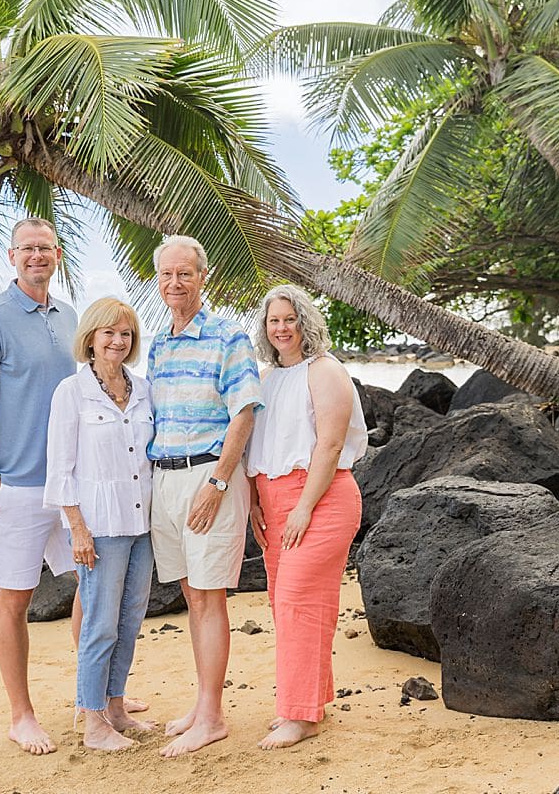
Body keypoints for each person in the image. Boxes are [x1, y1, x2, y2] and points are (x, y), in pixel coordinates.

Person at [0, 217, 77, 755]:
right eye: (27, 249)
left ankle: (96, 692)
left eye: (45, 248)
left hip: (70, 484)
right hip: (17, 487)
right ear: (12, 256)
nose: (37, 257)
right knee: (14, 598)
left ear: (57, 254)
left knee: (94, 585)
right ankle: (21, 714)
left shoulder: (70, 316)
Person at [145, 235, 262, 757]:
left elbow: (244, 413)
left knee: (210, 596)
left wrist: (218, 482)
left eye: (185, 274)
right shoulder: (157, 344)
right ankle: (202, 703)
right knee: (192, 595)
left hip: (207, 478)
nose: (175, 283)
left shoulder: (228, 337)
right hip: (164, 478)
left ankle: (212, 717)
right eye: (167, 274)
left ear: (203, 276)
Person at [244, 284, 368, 750]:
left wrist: (303, 507)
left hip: (321, 498)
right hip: (274, 503)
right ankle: (308, 701)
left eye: (289, 320)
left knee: (299, 600)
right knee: (288, 605)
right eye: (273, 321)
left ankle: (300, 715)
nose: (281, 329)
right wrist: (257, 502)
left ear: (305, 323)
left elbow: (330, 445)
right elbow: (260, 447)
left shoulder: (325, 370)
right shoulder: (267, 377)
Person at [45, 297, 157, 751]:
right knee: (100, 624)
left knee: (130, 620)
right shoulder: (71, 393)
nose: (117, 340)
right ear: (90, 338)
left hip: (142, 521)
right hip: (100, 525)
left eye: (125, 333)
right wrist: (77, 527)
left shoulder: (143, 388)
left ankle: (115, 708)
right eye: (108, 332)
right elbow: (60, 468)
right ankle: (91, 721)